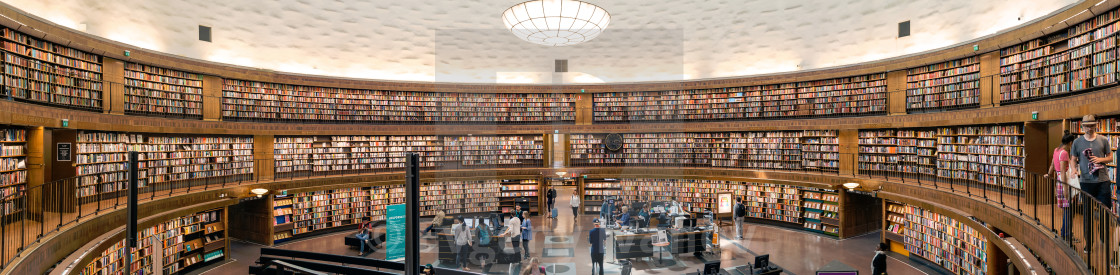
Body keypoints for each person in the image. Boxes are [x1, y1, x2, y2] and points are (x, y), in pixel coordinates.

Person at [1071, 115, 1114, 252]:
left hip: (1103, 181)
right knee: (1087, 213)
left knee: (1105, 212)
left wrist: (1100, 159)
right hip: (1086, 182)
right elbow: (1073, 159)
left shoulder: (1103, 140)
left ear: (1096, 125)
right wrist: (1073, 170)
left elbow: (1110, 157)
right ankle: (1088, 243)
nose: (1089, 128)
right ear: (1082, 126)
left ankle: (1104, 239)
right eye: (1087, 126)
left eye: (1092, 125)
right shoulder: (1077, 142)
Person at [1046, 132, 1078, 240]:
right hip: (1064, 182)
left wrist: (1049, 174)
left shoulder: (1056, 150)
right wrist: (1066, 189)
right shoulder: (1064, 153)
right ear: (1070, 142)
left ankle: (1065, 232)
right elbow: (1063, 172)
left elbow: (1052, 164)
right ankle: (1066, 234)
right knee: (1069, 211)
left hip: (1059, 181)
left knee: (1067, 210)